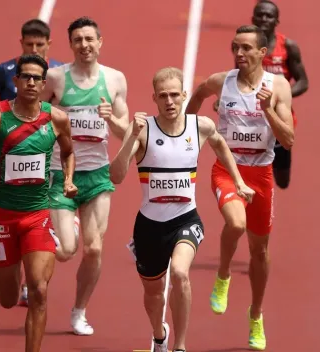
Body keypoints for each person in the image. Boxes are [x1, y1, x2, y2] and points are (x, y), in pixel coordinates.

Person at [109, 67, 255, 352]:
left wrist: (238, 181)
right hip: (149, 226)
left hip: (186, 219)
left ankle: (181, 346)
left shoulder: (200, 126)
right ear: (154, 98)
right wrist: (130, 138)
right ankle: (159, 334)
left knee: (179, 272)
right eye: (163, 96)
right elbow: (115, 176)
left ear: (184, 95)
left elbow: (221, 145)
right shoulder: (143, 130)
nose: (170, 101)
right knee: (154, 297)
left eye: (175, 94)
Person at [185, 25, 294, 351]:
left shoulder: (278, 87)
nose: (240, 53)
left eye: (246, 48)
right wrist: (184, 132)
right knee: (236, 223)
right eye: (236, 47)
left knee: (259, 251)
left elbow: (288, 139)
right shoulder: (223, 81)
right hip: (227, 171)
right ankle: (222, 276)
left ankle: (256, 315)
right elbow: (200, 93)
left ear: (263, 53)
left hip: (261, 176)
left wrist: (267, 110)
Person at [0, 54, 77, 352]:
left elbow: (68, 152)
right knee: (8, 299)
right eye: (24, 76)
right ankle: (17, 262)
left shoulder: (57, 119)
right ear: (15, 81)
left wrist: (68, 178)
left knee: (38, 291)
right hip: (2, 218)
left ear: (44, 82)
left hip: (37, 214)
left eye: (36, 77)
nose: (30, 82)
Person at [40, 16, 129, 335]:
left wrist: (111, 120)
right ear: (70, 44)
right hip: (61, 173)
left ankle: (79, 312)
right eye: (77, 40)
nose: (84, 45)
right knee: (65, 251)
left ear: (100, 42)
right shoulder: (55, 78)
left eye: (89, 39)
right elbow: (35, 118)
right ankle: (67, 227)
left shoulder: (115, 79)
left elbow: (125, 131)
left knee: (93, 248)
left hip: (97, 177)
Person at [0, 18, 64, 306]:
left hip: (45, 153)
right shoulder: (4, 72)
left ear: (49, 45)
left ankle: (48, 236)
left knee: (38, 225)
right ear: (21, 43)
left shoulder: (59, 74)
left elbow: (67, 118)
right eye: (29, 43)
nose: (34, 47)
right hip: (7, 156)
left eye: (39, 44)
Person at [214, 0, 308, 189]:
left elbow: (303, 81)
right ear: (253, 19)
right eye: (260, 15)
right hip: (250, 121)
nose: (264, 19)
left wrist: (278, 96)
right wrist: (222, 99)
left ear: (276, 21)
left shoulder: (288, 47)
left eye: (269, 15)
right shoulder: (245, 47)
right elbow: (237, 77)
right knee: (248, 174)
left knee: (282, 181)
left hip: (278, 119)